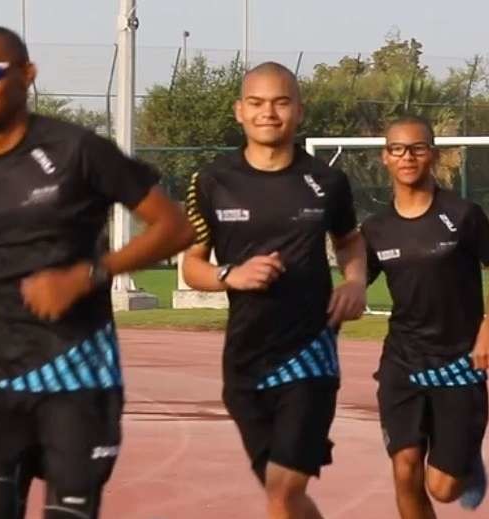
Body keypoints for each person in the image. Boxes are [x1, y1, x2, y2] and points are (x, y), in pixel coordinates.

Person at [0, 26, 194, 519]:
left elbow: (175, 227)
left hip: (80, 374)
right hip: (3, 377)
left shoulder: (78, 150)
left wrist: (87, 276)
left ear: (27, 75)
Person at [181, 61, 367, 519]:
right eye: (257, 103)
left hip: (310, 354)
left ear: (299, 111)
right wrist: (231, 275)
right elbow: (191, 266)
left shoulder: (327, 182)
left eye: (281, 103)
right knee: (284, 496)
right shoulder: (211, 181)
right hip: (244, 363)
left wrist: (355, 281)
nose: (268, 113)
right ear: (239, 111)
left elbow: (349, 241)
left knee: (283, 493)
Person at [360, 115, 489, 518]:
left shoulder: (462, 215)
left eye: (417, 148)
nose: (407, 157)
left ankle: (465, 462)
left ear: (432, 154)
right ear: (385, 157)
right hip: (402, 362)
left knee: (443, 488)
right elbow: (356, 282)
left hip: (458, 361)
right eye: (397, 149)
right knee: (405, 469)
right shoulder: (375, 229)